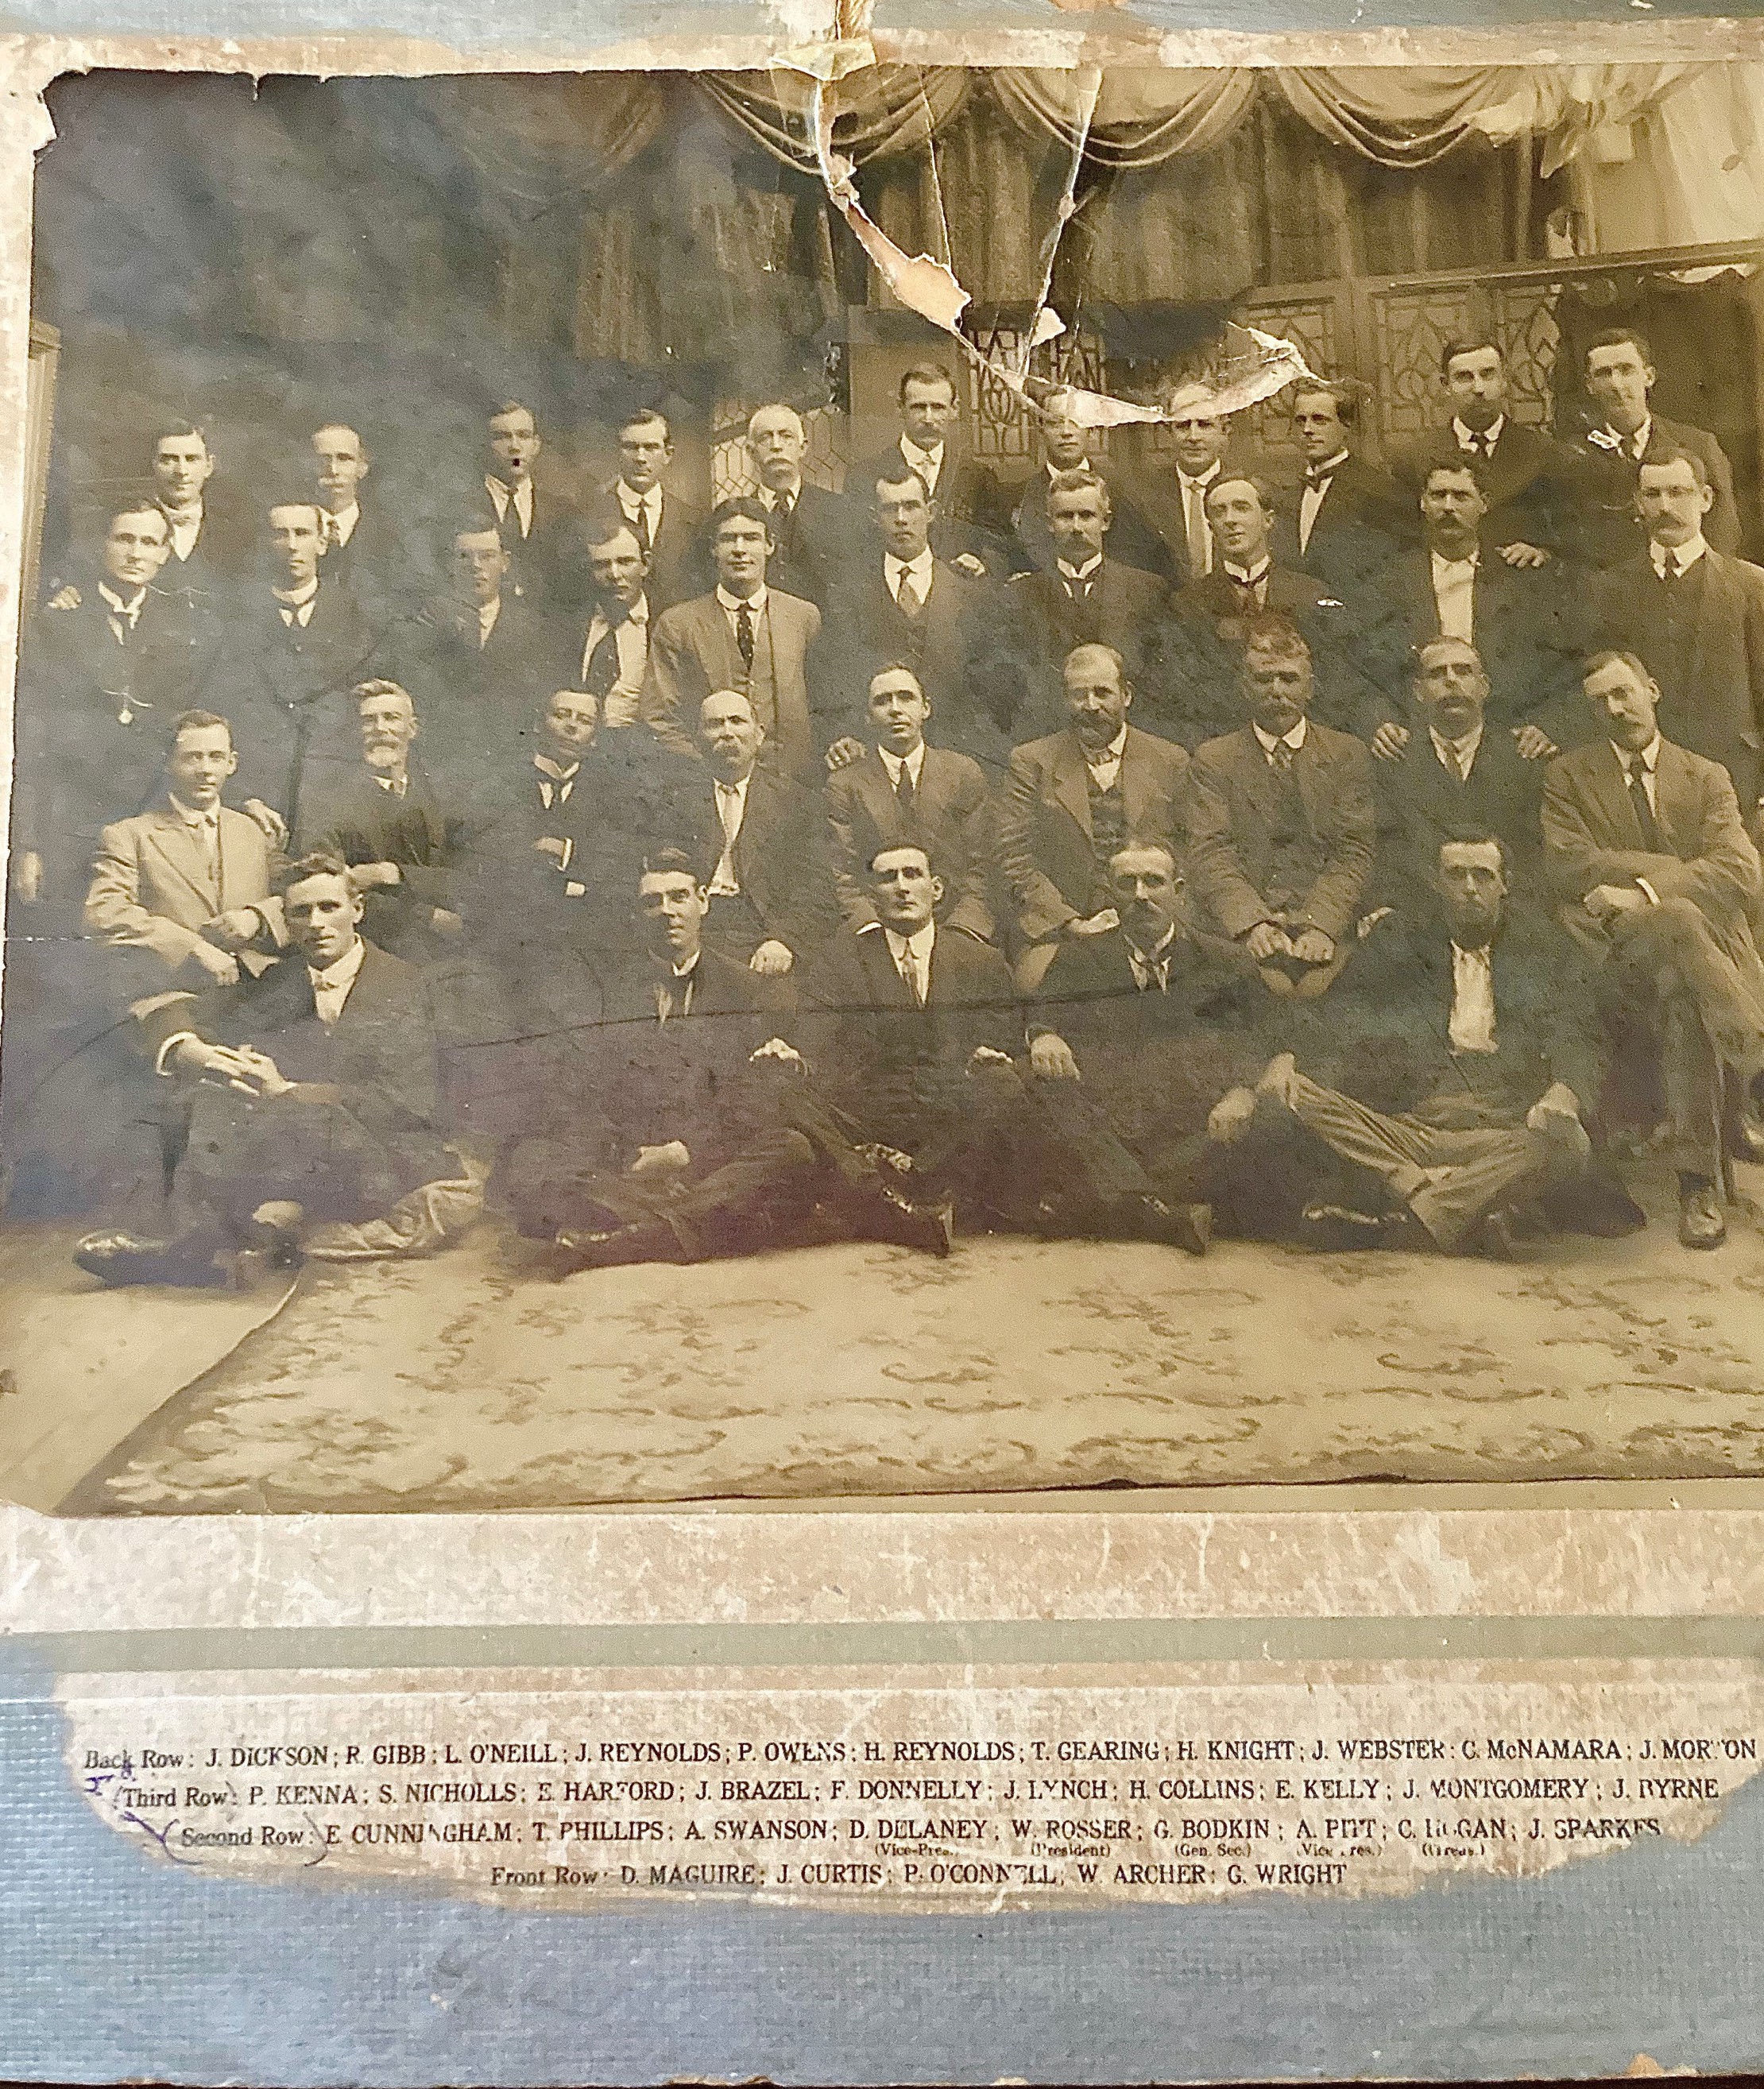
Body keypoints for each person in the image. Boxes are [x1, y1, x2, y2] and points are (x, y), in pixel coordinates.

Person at [495, 849, 952, 1270]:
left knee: (790, 1146)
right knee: (533, 1164)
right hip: (625, 1159)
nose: (668, 912)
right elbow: (578, 1083)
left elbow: (744, 1098)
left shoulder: (747, 988)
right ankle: (693, 1219)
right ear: (638, 914)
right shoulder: (602, 986)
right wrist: (625, 1153)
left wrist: (684, 1151)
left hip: (707, 1157)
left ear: (703, 903)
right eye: (653, 903)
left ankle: (629, 1241)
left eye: (679, 898)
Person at [72, 852, 474, 1288]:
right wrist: (192, 1050)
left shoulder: (409, 985)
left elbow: (407, 1105)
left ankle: (183, 1250)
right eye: (301, 912)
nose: (317, 923)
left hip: (387, 1157)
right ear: (287, 920)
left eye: (329, 907)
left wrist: (287, 1091)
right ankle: (174, 1237)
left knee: (246, 1120)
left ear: (357, 910)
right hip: (309, 1151)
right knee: (194, 1097)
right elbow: (191, 1010)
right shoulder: (282, 982)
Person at [805, 842, 1207, 1247]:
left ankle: (894, 1193)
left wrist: (986, 1057)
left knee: (1014, 1079)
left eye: (913, 875)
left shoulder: (981, 961)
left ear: (937, 889)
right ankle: (897, 1195)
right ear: (872, 894)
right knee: (785, 1084)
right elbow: (823, 1048)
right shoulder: (839, 962)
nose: (902, 887)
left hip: (955, 1119)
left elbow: (1003, 1039)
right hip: (870, 1109)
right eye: (887, 878)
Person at [1255, 834, 1601, 1257]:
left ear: (1504, 884)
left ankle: (1412, 1212)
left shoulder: (1545, 948)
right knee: (1299, 1094)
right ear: (1437, 884)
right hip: (1411, 1123)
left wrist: (1563, 1094)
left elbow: (1577, 1031)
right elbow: (1336, 1011)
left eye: (1483, 876)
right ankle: (1447, 1197)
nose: (1470, 888)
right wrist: (1286, 1058)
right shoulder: (1399, 940)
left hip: (1502, 1128)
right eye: (1456, 875)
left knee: (1565, 1145)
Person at [1542, 649, 1764, 1248]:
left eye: (1623, 693)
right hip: (1616, 964)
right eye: (1600, 702)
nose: (1615, 710)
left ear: (1653, 689)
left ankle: (1698, 1187)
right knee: (1684, 914)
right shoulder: (1568, 776)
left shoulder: (1707, 774)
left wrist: (1641, 890)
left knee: (1685, 989)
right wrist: (1678, 871)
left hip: (1688, 967)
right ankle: (1752, 1042)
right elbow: (1569, 865)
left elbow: (1744, 872)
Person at [1027, 840, 1275, 1238]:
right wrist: (1044, 1036)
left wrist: (1245, 1091)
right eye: (1127, 885)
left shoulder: (1225, 960)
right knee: (1040, 1084)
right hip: (1109, 1131)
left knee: (1271, 1114)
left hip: (1194, 1131)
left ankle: (1118, 1203)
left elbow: (1266, 1038)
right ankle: (1154, 1210)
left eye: (1153, 882)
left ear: (1179, 891)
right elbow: (1041, 1012)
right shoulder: (1081, 958)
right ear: (1110, 896)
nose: (1140, 896)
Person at [11, 501, 230, 924]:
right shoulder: (58, 625)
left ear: (166, 553)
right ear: (102, 544)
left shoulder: (184, 626)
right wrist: (29, 844)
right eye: (124, 539)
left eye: (149, 542)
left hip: (153, 818)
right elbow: (33, 740)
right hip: (72, 823)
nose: (136, 553)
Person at [1184, 617, 1376, 999]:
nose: (1276, 691)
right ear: (1244, 687)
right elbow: (1211, 851)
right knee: (1263, 991)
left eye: (1288, 679)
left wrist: (1320, 924)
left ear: (1310, 688)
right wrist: (1253, 924)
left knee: (1322, 992)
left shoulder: (1346, 754)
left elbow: (1355, 849)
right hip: (1244, 929)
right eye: (1263, 680)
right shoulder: (1214, 759)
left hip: (1327, 923)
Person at [996, 641, 1190, 981]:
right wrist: (1070, 922)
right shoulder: (1031, 762)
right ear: (1065, 700)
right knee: (1035, 982)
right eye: (1079, 695)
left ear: (1126, 695)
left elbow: (1190, 849)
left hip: (1153, 921)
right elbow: (1013, 856)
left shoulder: (1170, 760)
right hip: (1066, 927)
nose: (1091, 706)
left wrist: (1153, 917)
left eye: (1103, 693)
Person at [1363, 459, 1584, 752]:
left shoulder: (1521, 577)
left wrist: (1548, 725)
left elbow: (1566, 666)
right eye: (1438, 496)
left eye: (1461, 496)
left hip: (1510, 735)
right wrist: (1379, 721)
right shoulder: (1388, 581)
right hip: (1416, 739)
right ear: (1423, 503)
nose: (1448, 507)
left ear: (1484, 503)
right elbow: (1362, 665)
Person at [1589, 447, 1764, 815]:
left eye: (1678, 492)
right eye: (1652, 494)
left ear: (1705, 499)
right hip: (1641, 779)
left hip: (1735, 776)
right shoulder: (1610, 588)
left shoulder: (1751, 586)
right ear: (1638, 502)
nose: (1664, 506)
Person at [83, 710, 285, 1000]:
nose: (205, 770)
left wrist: (259, 917)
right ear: (168, 764)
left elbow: (295, 893)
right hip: (172, 990)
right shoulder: (129, 835)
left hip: (257, 991)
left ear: (232, 763)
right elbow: (105, 912)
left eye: (216, 757)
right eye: (192, 757)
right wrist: (192, 946)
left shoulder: (253, 829)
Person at [980, 469, 1174, 744]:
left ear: (1105, 521)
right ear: (1049, 523)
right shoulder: (1020, 595)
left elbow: (1161, 681)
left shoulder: (1147, 590)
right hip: (1047, 741)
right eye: (1065, 517)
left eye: (1086, 515)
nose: (1076, 527)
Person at [229, 497, 385, 832]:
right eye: (280, 535)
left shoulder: (357, 618)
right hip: (258, 797)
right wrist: (243, 797)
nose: (292, 545)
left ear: (322, 543)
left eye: (302, 533)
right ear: (266, 545)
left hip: (337, 794)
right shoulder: (233, 617)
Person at [641, 497, 824, 777]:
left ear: (769, 546)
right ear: (714, 549)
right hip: (709, 782)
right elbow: (659, 717)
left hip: (792, 784)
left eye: (751, 538)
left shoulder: (803, 617)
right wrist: (707, 768)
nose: (740, 549)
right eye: (728, 539)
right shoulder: (677, 624)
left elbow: (824, 704)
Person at [1174, 472, 1357, 741]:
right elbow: (1189, 693)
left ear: (1268, 520)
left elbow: (1334, 682)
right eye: (1219, 512)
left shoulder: (1311, 594)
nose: (1231, 520)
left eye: (1242, 507)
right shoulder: (1188, 603)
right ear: (1211, 527)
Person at [814, 465, 984, 753]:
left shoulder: (969, 591)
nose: (902, 519)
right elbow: (834, 676)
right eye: (890, 509)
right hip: (874, 751)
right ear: (874, 517)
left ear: (930, 512)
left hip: (956, 750)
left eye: (911, 507)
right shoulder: (847, 594)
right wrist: (849, 736)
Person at [1370, 636, 1548, 907]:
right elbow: (1385, 850)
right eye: (1437, 674)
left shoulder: (1524, 756)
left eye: (1463, 671)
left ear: (1484, 686)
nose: (1451, 681)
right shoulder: (1394, 758)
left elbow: (1534, 854)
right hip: (1415, 911)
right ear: (1418, 691)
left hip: (1509, 911)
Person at [299, 680, 469, 961]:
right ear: (355, 732)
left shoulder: (442, 795)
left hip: (454, 947)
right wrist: (428, 916)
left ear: (412, 729)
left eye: (391, 718)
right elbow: (332, 885)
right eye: (369, 721)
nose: (380, 729)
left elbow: (471, 874)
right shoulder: (327, 800)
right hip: (374, 946)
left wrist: (393, 873)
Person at [824, 664, 996, 943]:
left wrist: (963, 928)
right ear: (868, 718)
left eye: (906, 697)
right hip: (876, 931)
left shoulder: (963, 772)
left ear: (925, 708)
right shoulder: (846, 783)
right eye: (882, 701)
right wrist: (871, 929)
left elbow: (984, 865)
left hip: (954, 927)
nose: (895, 709)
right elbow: (841, 873)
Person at [681, 688, 838, 975]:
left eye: (737, 721)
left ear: (759, 734)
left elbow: (817, 887)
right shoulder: (674, 800)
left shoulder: (796, 801)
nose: (727, 733)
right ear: (697, 739)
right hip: (696, 926)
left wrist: (783, 940)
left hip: (763, 928)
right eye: (715, 724)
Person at [393, 519, 563, 775]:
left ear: (505, 562)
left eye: (487, 556)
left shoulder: (533, 627)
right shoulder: (425, 619)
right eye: (463, 557)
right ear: (450, 563)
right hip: (439, 757)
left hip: (511, 761)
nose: (475, 566)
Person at [1388, 336, 1578, 563]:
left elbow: (1569, 534)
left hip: (1517, 585)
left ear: (1504, 380)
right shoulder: (1414, 457)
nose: (1478, 388)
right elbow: (1401, 536)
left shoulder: (1545, 453)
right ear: (1445, 386)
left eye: (1488, 374)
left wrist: (1544, 552)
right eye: (1464, 377)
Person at [1569, 327, 1741, 566]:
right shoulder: (1573, 453)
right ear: (1590, 385)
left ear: (1648, 376)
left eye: (1626, 370)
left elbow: (1723, 527)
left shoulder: (1698, 445)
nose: (1616, 384)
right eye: (1604, 374)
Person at [845, 362, 1003, 573]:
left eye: (938, 407)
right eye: (918, 407)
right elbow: (854, 546)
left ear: (954, 410)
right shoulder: (864, 475)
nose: (929, 419)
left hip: (958, 593)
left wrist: (981, 562)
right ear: (900, 408)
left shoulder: (978, 476)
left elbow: (996, 545)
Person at [1007, 392, 1164, 578]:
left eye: (1077, 422)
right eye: (1055, 423)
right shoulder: (1019, 495)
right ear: (1041, 428)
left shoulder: (1124, 491)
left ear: (1090, 429)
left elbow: (1143, 555)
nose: (1066, 432)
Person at [1274, 379, 1405, 593]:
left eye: (1320, 420)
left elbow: (1392, 570)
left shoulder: (1378, 490)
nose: (1307, 429)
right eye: (1300, 420)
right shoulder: (1286, 494)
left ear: (1346, 426)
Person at [580, 407, 706, 610]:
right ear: (618, 452)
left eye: (650, 447)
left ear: (668, 454)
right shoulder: (586, 514)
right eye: (631, 447)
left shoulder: (693, 520)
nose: (640, 458)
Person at [743, 401, 863, 605]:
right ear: (751, 451)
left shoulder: (840, 510)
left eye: (786, 436)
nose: (776, 445)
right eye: (766, 438)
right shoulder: (741, 517)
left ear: (803, 447)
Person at [563, 519, 656, 731]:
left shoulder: (665, 623)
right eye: (602, 565)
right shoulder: (569, 624)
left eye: (625, 562)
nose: (614, 574)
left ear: (645, 565)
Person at [482, 399, 573, 602]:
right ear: (487, 445)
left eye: (523, 436)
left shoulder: (564, 512)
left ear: (536, 445)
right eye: (502, 437)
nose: (514, 447)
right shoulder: (460, 506)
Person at [147, 419, 249, 598]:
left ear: (209, 466)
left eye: (192, 459)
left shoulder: (239, 530)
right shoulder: (126, 525)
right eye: (169, 460)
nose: (181, 471)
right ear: (153, 464)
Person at [309, 421, 403, 610]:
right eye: (324, 459)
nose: (333, 470)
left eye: (344, 459)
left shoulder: (390, 538)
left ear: (362, 468)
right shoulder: (287, 533)